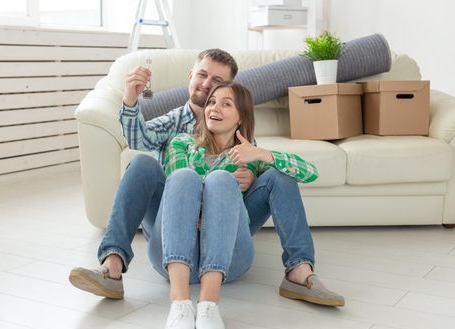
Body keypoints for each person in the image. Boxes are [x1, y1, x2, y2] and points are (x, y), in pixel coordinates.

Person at [68, 48, 344, 308]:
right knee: (143, 165)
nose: (209, 92)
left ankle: (300, 270)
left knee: (276, 177)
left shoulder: (244, 146)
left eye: (221, 92)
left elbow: (301, 173)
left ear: (238, 111)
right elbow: (140, 141)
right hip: (175, 227)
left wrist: (256, 166)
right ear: (191, 75)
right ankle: (112, 267)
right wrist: (130, 99)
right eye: (204, 78)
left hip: (226, 235)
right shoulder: (179, 136)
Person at [152, 81, 320, 329]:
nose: (213, 108)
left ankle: (209, 303)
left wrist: (262, 155)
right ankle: (180, 303)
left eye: (225, 103)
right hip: (176, 253)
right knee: (188, 177)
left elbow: (311, 173)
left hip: (228, 260)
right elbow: (180, 196)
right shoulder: (182, 143)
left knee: (269, 176)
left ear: (242, 116)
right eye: (211, 102)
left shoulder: (249, 157)